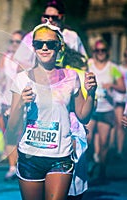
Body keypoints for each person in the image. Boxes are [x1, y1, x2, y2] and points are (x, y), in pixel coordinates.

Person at [5, 20, 97, 200]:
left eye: (50, 44)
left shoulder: (71, 77)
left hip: (60, 155)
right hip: (30, 156)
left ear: (59, 47)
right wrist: (21, 104)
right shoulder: (22, 79)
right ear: (34, 47)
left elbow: (83, 117)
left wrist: (92, 93)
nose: (45, 48)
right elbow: (12, 128)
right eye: (39, 44)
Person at [86, 39, 126, 182]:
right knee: (87, 139)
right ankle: (89, 163)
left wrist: (112, 85)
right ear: (94, 52)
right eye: (98, 50)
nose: (100, 53)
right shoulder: (88, 64)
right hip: (92, 109)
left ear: (107, 52)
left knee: (104, 143)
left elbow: (123, 88)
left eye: (103, 50)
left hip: (107, 109)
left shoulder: (113, 68)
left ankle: (102, 171)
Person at [14, 0, 87, 71]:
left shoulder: (72, 36)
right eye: (46, 16)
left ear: (62, 17)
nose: (50, 20)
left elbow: (82, 63)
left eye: (54, 17)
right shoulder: (31, 37)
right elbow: (20, 66)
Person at [63, 45, 91, 200]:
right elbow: (90, 105)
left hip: (70, 125)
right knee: (76, 179)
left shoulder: (44, 74)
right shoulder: (81, 74)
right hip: (76, 124)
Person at [0, 30, 26, 180]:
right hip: (6, 100)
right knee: (9, 135)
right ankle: (12, 167)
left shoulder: (28, 59)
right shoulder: (6, 58)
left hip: (22, 101)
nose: (14, 44)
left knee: (21, 135)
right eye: (12, 41)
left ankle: (22, 166)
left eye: (18, 42)